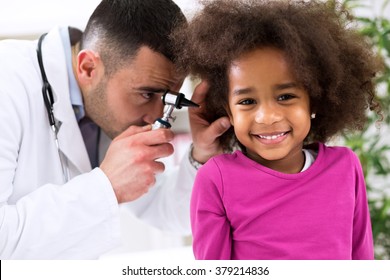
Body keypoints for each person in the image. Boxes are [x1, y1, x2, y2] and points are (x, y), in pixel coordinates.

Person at [0, 0, 231, 259]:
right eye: (146, 94)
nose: (156, 116)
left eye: (168, 98)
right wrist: (106, 187)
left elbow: (166, 211)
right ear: (88, 68)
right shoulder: (7, 81)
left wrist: (201, 155)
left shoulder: (105, 103)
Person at [172, 0, 383, 259]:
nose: (267, 117)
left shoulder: (345, 167)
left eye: (285, 96)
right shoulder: (217, 180)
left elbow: (363, 262)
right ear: (228, 111)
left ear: (313, 101)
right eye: (247, 102)